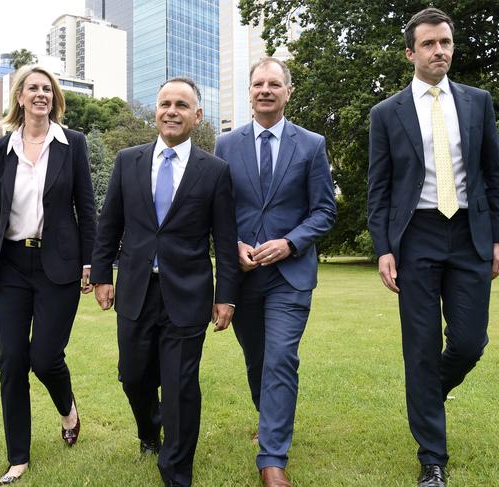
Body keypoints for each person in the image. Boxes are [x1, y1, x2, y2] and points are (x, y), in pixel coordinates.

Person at [367, 8, 499, 487]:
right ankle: (433, 457)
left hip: (470, 233)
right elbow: (379, 189)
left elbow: (495, 172)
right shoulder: (386, 113)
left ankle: (428, 393)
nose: (440, 51)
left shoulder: (477, 102)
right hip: (416, 237)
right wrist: (384, 248)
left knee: (470, 342)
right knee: (422, 348)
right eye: (429, 44)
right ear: (411, 52)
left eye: (445, 42)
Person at [91, 77, 240, 487]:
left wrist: (226, 295)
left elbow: (225, 242)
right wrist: (102, 275)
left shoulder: (214, 172)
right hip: (136, 291)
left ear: (197, 115)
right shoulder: (128, 161)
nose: (171, 111)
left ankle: (175, 471)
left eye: (181, 105)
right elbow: (110, 225)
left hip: (188, 295)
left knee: (179, 385)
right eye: (164, 103)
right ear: (156, 111)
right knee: (134, 377)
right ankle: (149, 429)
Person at [0, 65, 96, 485]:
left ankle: (67, 408)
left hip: (58, 265)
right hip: (12, 267)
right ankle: (18, 456)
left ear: (53, 98)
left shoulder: (71, 144)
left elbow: (86, 207)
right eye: (32, 88)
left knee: (44, 358)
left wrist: (92, 262)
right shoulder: (2, 149)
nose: (40, 94)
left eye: (47, 88)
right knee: (11, 361)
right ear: (19, 97)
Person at [214, 57, 336, 487]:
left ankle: (272, 460)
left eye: (274, 84)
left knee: (282, 358)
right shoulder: (226, 145)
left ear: (288, 91)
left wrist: (290, 242)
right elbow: (218, 210)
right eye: (258, 84)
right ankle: (271, 423)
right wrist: (234, 245)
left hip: (291, 275)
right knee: (258, 361)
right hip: (243, 275)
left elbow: (325, 210)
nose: (265, 90)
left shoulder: (312, 144)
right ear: (249, 92)